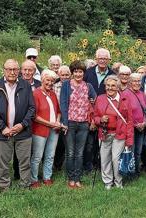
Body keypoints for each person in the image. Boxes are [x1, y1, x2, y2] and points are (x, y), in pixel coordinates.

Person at [0, 59, 35, 190]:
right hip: (2, 132)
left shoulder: (26, 85)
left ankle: (25, 185)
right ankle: (4, 186)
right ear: (4, 70)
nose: (12, 72)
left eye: (15, 69)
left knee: (24, 161)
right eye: (9, 69)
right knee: (3, 163)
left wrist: (22, 125)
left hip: (23, 132)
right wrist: (2, 127)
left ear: (18, 71)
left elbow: (31, 108)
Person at [60, 60, 96, 188]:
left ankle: (77, 178)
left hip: (83, 124)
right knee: (70, 152)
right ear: (72, 72)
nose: (78, 74)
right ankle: (71, 178)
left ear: (83, 73)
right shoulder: (66, 85)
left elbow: (94, 102)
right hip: (70, 122)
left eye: (80, 71)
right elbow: (63, 104)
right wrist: (64, 122)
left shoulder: (88, 86)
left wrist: (92, 118)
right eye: (75, 71)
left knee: (80, 152)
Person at [94, 75, 133, 189]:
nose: (110, 88)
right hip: (105, 133)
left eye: (113, 86)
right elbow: (95, 117)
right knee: (105, 158)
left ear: (118, 87)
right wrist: (100, 120)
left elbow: (129, 121)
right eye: (108, 86)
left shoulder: (124, 99)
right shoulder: (100, 98)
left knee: (116, 159)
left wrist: (129, 139)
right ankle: (107, 182)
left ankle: (118, 181)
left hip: (119, 134)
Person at [84, 48, 115, 172]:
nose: (102, 60)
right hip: (89, 111)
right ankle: (88, 166)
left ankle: (100, 164)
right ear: (96, 59)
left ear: (109, 60)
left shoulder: (112, 75)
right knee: (89, 142)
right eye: (100, 58)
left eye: (105, 58)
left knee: (102, 140)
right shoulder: (88, 72)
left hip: (106, 112)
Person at [30, 70, 62, 188]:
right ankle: (33, 179)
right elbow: (34, 116)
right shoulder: (36, 94)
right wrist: (50, 123)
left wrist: (57, 121)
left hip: (54, 130)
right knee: (37, 156)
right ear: (42, 79)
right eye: (48, 80)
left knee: (50, 155)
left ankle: (47, 177)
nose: (50, 83)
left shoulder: (52, 94)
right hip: (40, 130)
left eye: (52, 81)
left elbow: (58, 111)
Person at [122, 73, 146, 177]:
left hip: (142, 127)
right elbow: (124, 112)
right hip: (131, 127)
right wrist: (136, 124)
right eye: (134, 81)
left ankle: (137, 171)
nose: (137, 83)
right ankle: (130, 172)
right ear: (129, 82)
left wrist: (145, 122)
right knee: (130, 150)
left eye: (138, 81)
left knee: (138, 151)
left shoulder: (142, 94)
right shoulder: (125, 94)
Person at [53, 65, 71, 171]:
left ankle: (67, 165)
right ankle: (57, 165)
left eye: (67, 75)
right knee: (58, 143)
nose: (64, 77)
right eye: (62, 75)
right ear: (59, 75)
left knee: (67, 143)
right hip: (57, 117)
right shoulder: (54, 86)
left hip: (70, 117)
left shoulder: (72, 85)